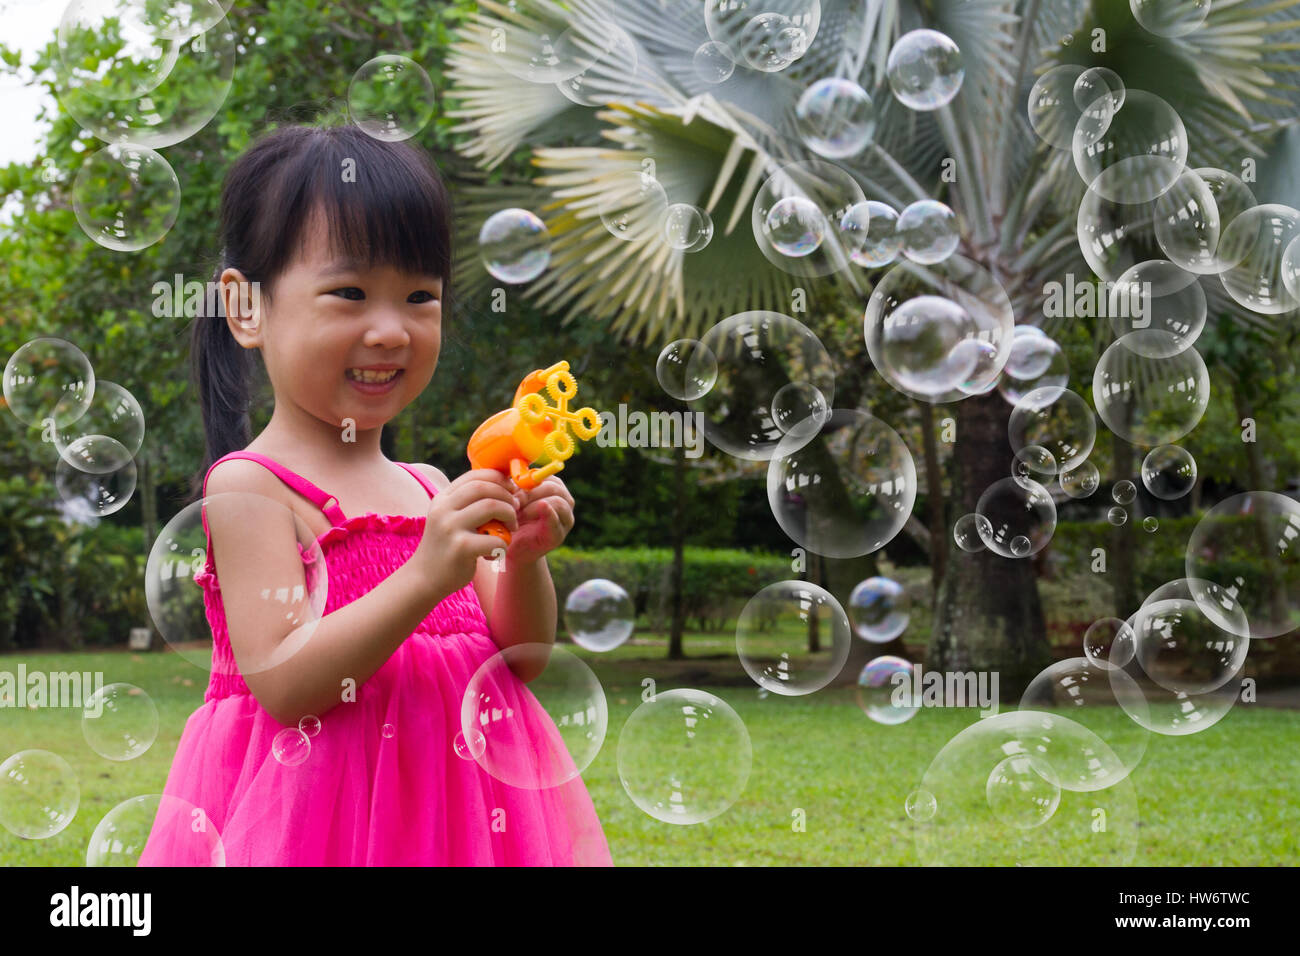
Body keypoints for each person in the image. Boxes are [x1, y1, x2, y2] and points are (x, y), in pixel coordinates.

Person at [141, 123, 612, 866]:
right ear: (247, 309)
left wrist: (523, 560)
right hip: (316, 820)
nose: (391, 330)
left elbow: (518, 660)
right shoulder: (251, 488)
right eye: (349, 292)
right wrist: (426, 574)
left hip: (463, 818)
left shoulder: (432, 488)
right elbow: (287, 684)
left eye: (420, 295)